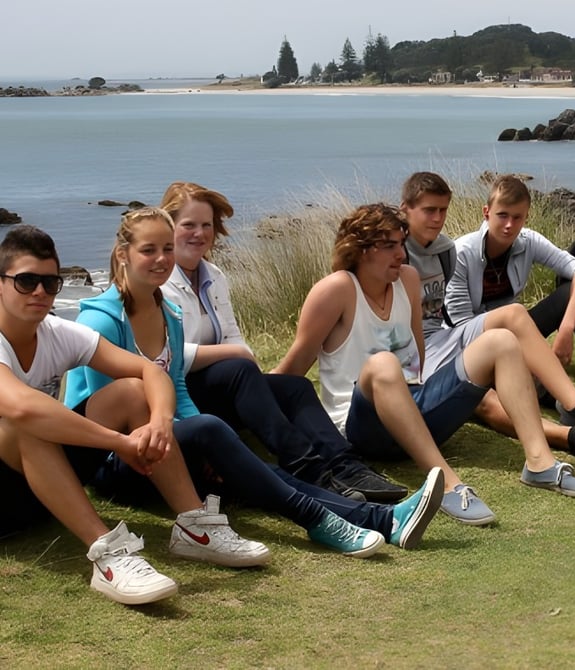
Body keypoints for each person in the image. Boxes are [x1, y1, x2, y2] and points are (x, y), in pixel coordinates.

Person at [63, 207, 444, 563]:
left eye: (167, 248)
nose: (162, 259)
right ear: (123, 254)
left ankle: (380, 517)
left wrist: (204, 448)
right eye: (149, 250)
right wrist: (199, 440)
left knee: (244, 461)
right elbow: (111, 418)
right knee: (221, 439)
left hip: (165, 443)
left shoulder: (169, 315)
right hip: (119, 461)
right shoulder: (102, 322)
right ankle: (344, 518)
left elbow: (177, 388)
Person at [274, 203, 575, 527]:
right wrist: (250, 412)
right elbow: (293, 367)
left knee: (503, 340)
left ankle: (540, 463)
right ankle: (448, 485)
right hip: (363, 428)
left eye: (401, 243)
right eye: (389, 246)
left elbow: (418, 356)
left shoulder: (408, 280)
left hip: (417, 413)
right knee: (384, 364)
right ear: (359, 248)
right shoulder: (336, 289)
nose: (401, 253)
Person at [0, 224, 271, 606]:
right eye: (26, 282)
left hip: (39, 489)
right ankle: (107, 553)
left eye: (50, 282)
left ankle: (195, 526)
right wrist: (119, 443)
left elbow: (151, 372)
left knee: (131, 391)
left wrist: (160, 423)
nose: (41, 292)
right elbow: (21, 406)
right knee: (23, 421)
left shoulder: (58, 332)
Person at [158, 181, 405, 503]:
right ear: (169, 227)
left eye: (207, 225)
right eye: (188, 225)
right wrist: (233, 354)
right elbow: (167, 356)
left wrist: (236, 354)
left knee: (293, 386)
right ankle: (311, 471)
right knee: (237, 369)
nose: (199, 233)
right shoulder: (159, 280)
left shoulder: (213, 276)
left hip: (220, 386)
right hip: (176, 396)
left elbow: (234, 336)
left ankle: (347, 466)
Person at [403, 172, 575, 460]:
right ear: (487, 212)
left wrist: (565, 331)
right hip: (462, 339)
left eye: (517, 218)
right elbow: (456, 323)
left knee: (562, 295)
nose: (509, 225)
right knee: (485, 397)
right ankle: (572, 434)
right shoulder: (458, 252)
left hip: (483, 337)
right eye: (503, 215)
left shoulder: (444, 251)